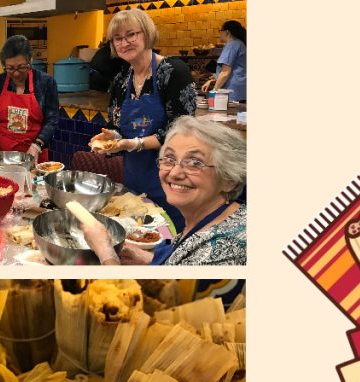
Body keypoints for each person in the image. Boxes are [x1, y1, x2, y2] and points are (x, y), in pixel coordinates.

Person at [81, 116, 246, 265]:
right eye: (169, 158)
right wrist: (151, 259)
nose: (175, 173)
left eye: (195, 162)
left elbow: (124, 294)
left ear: (229, 180)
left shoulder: (222, 251)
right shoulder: (208, 220)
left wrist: (106, 253)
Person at [89, 9, 196, 233]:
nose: (124, 42)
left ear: (146, 34)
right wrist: (111, 138)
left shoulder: (173, 72)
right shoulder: (120, 80)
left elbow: (182, 130)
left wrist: (135, 144)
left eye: (131, 34)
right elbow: (118, 128)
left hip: (172, 179)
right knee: (143, 240)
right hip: (135, 177)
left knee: (171, 238)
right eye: (117, 38)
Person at [0, 35, 59, 162]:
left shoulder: (46, 83)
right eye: (10, 68)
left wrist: (37, 145)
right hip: (0, 157)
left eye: (21, 67)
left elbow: (52, 120)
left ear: (30, 61)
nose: (16, 73)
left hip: (33, 156)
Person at [200, 20, 247, 102]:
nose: (219, 33)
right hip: (241, 91)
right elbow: (235, 69)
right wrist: (212, 80)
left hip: (233, 92)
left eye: (220, 31)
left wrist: (214, 91)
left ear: (227, 32)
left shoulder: (232, 45)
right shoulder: (239, 44)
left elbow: (225, 72)